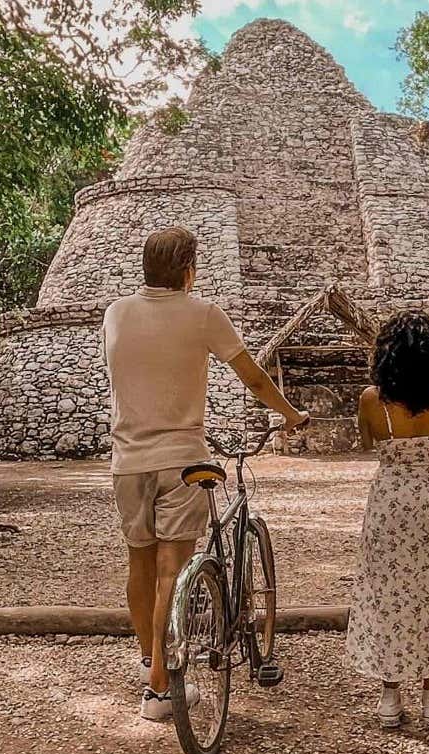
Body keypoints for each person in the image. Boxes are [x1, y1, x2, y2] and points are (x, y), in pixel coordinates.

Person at [103, 227, 307, 722]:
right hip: (181, 462)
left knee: (140, 566)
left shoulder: (116, 314)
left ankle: (153, 659)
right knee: (173, 570)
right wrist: (291, 414)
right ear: (189, 269)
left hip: (127, 463)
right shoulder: (203, 315)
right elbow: (254, 377)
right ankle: (160, 690)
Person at [347, 289, 429, 728]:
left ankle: (390, 698)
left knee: (389, 596)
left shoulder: (372, 401)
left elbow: (365, 443)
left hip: (390, 506)